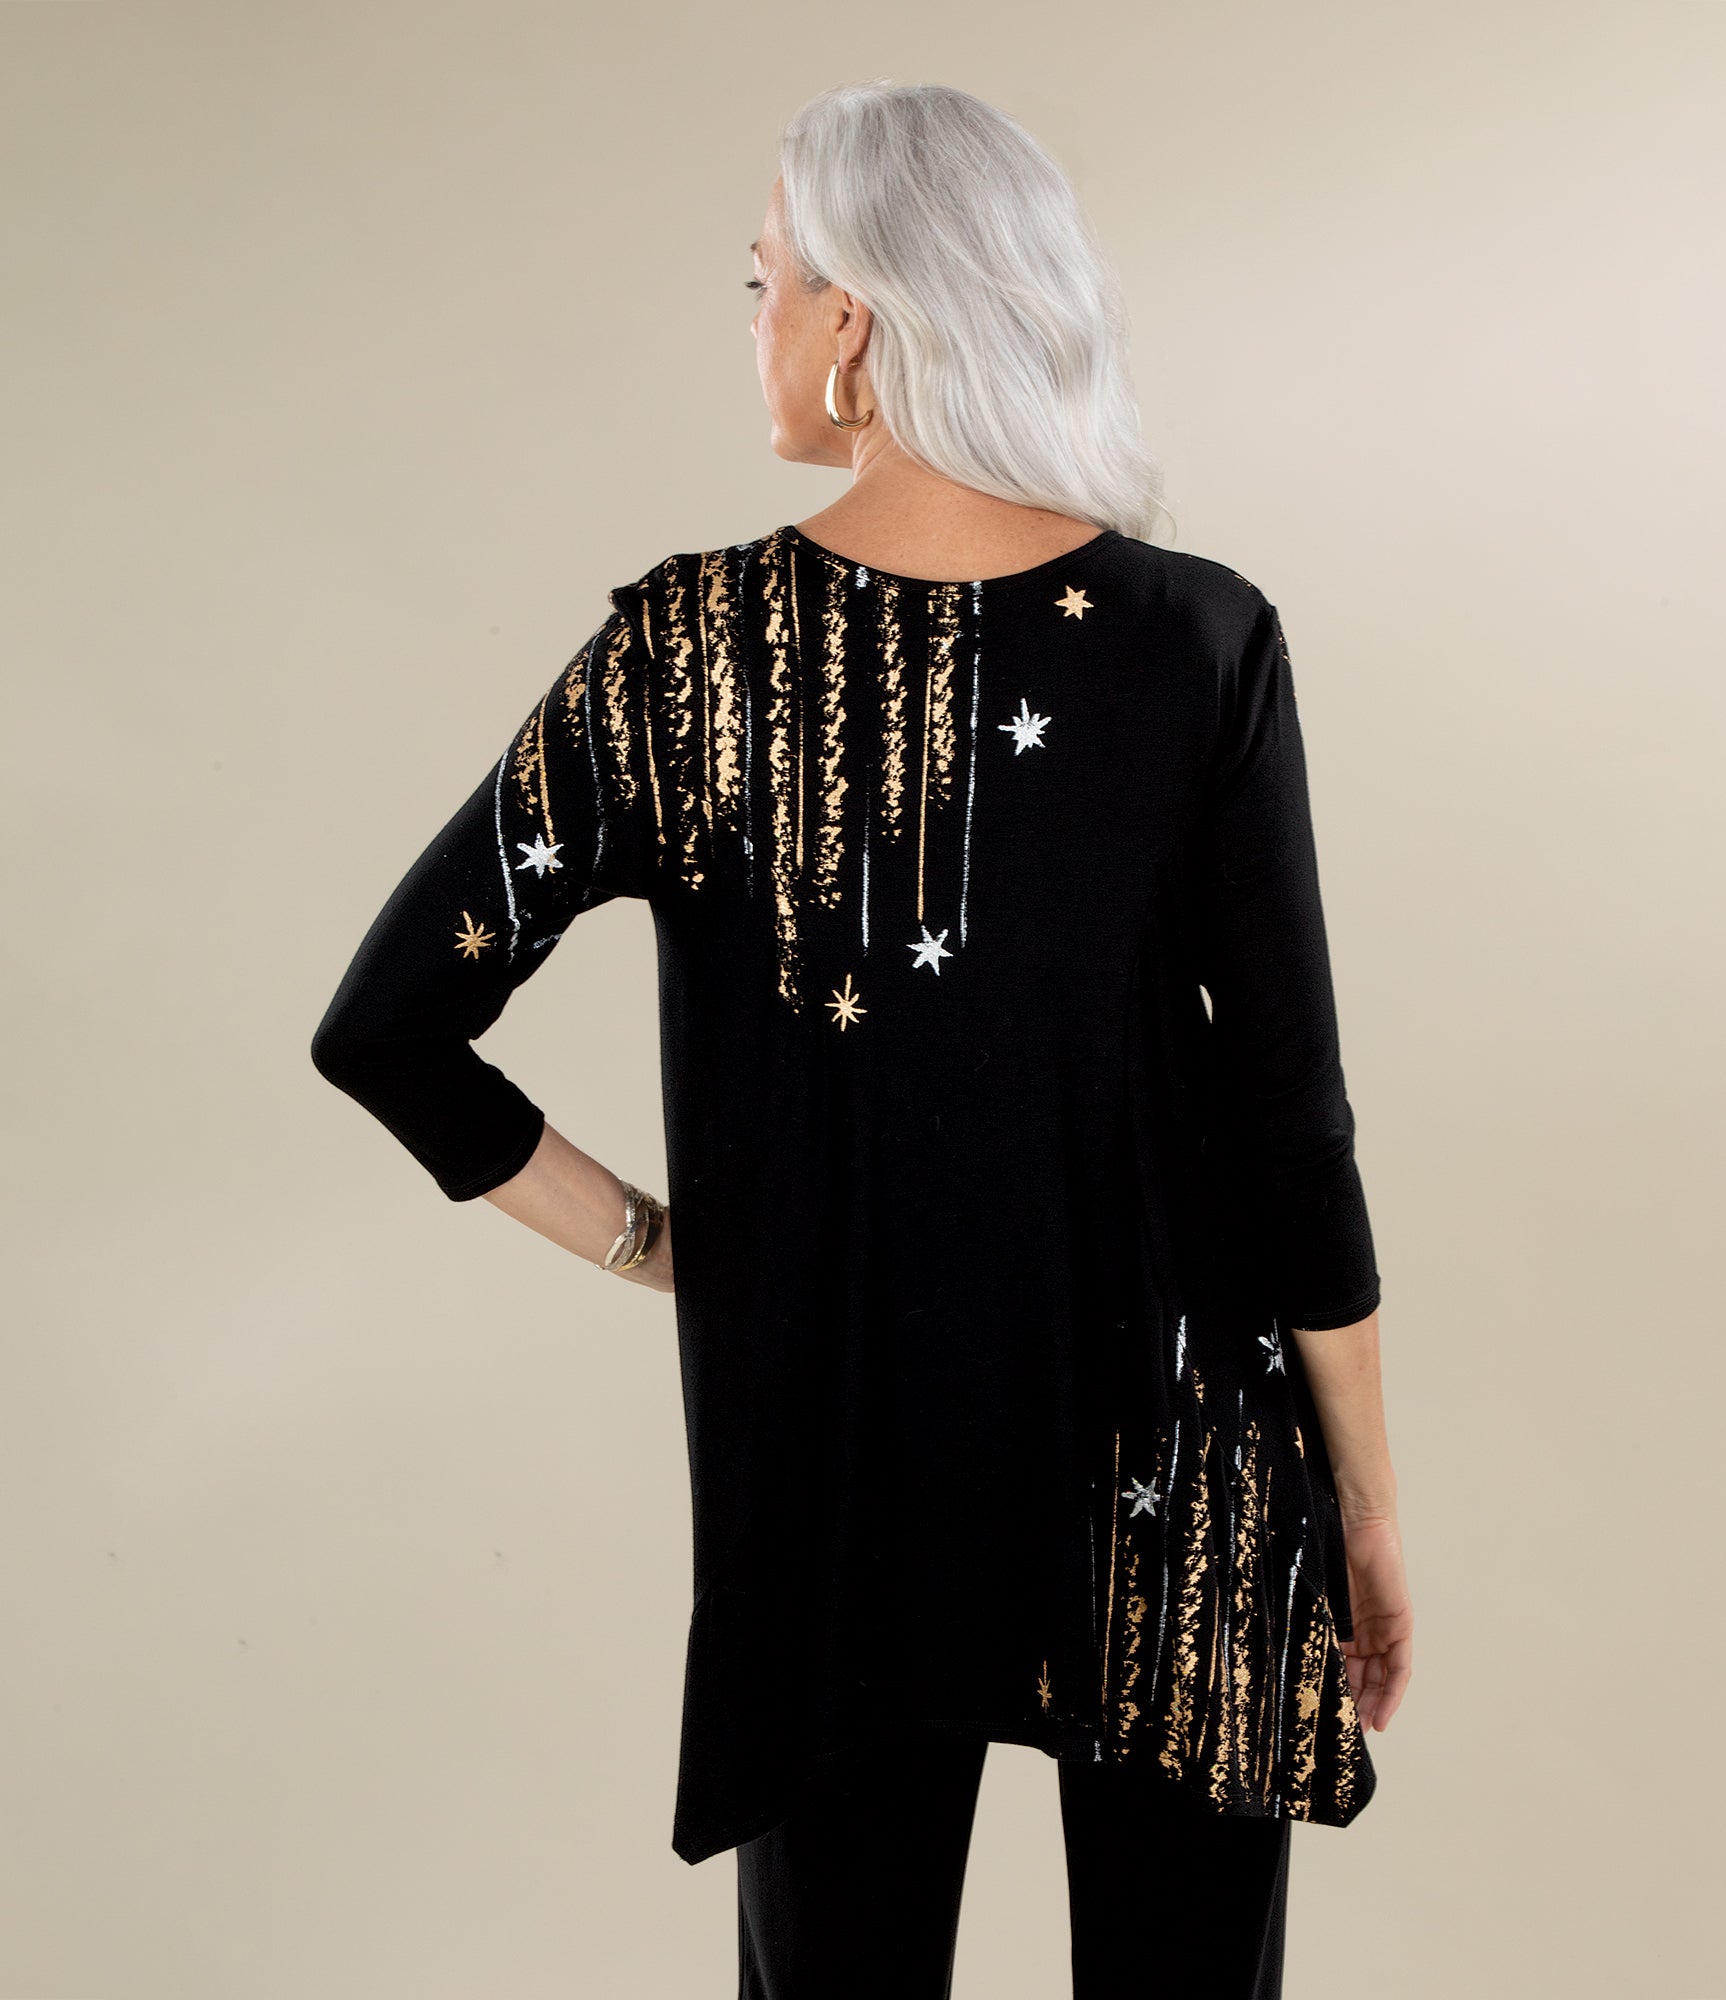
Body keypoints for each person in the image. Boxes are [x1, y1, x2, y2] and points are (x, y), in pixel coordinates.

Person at [311, 78, 1413, 2000]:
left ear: (855, 320)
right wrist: (1371, 1509)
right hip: (1186, 1472)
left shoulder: (687, 660)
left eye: (762, 278)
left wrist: (665, 1249)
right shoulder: (1199, 641)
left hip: (836, 1486)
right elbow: (1291, 1127)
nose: (750, 318)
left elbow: (389, 1029)